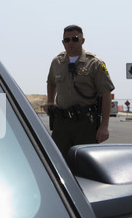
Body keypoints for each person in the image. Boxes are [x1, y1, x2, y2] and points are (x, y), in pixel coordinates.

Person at [43, 25, 115, 159]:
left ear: (82, 41)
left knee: (85, 164)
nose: (71, 43)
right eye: (67, 40)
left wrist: (104, 126)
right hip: (61, 123)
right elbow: (51, 82)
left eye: (75, 39)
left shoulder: (95, 63)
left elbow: (106, 94)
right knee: (58, 162)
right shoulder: (57, 62)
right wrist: (50, 102)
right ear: (63, 42)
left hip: (85, 124)